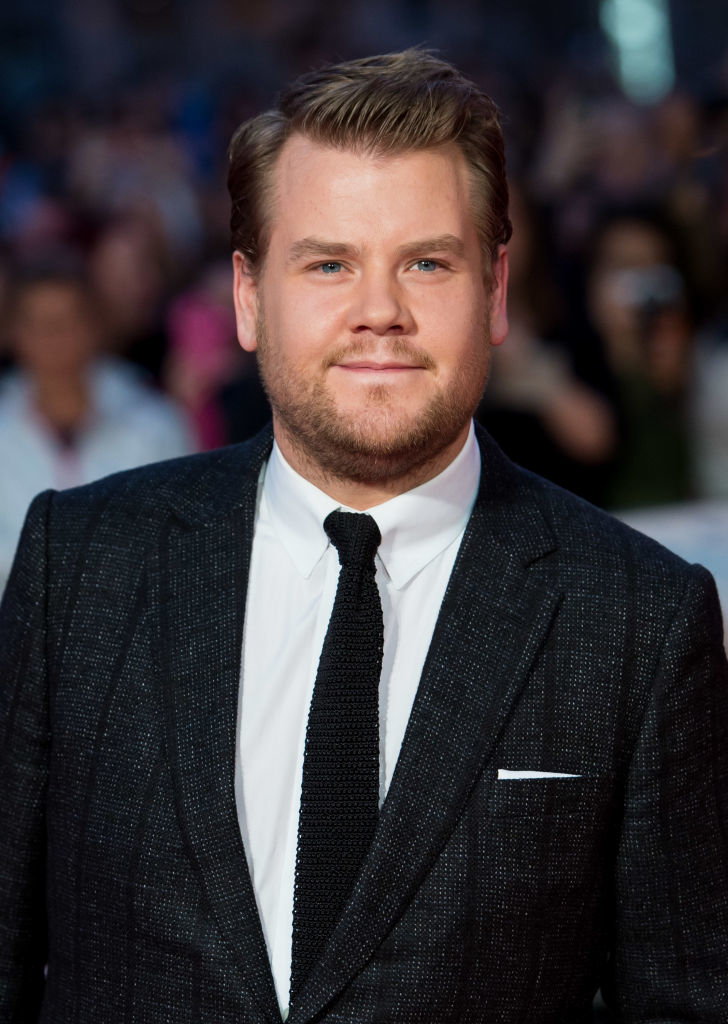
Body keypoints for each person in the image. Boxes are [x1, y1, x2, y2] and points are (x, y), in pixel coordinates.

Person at [1, 50, 726, 1024]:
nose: (377, 311)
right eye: (328, 263)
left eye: (425, 262)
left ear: (495, 289)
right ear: (250, 298)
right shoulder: (79, 565)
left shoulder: (636, 618)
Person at [0, 267, 195, 595]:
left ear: (94, 325)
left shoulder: (153, 424)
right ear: (14, 332)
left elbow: (183, 542)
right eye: (37, 324)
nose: (53, 337)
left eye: (67, 321)